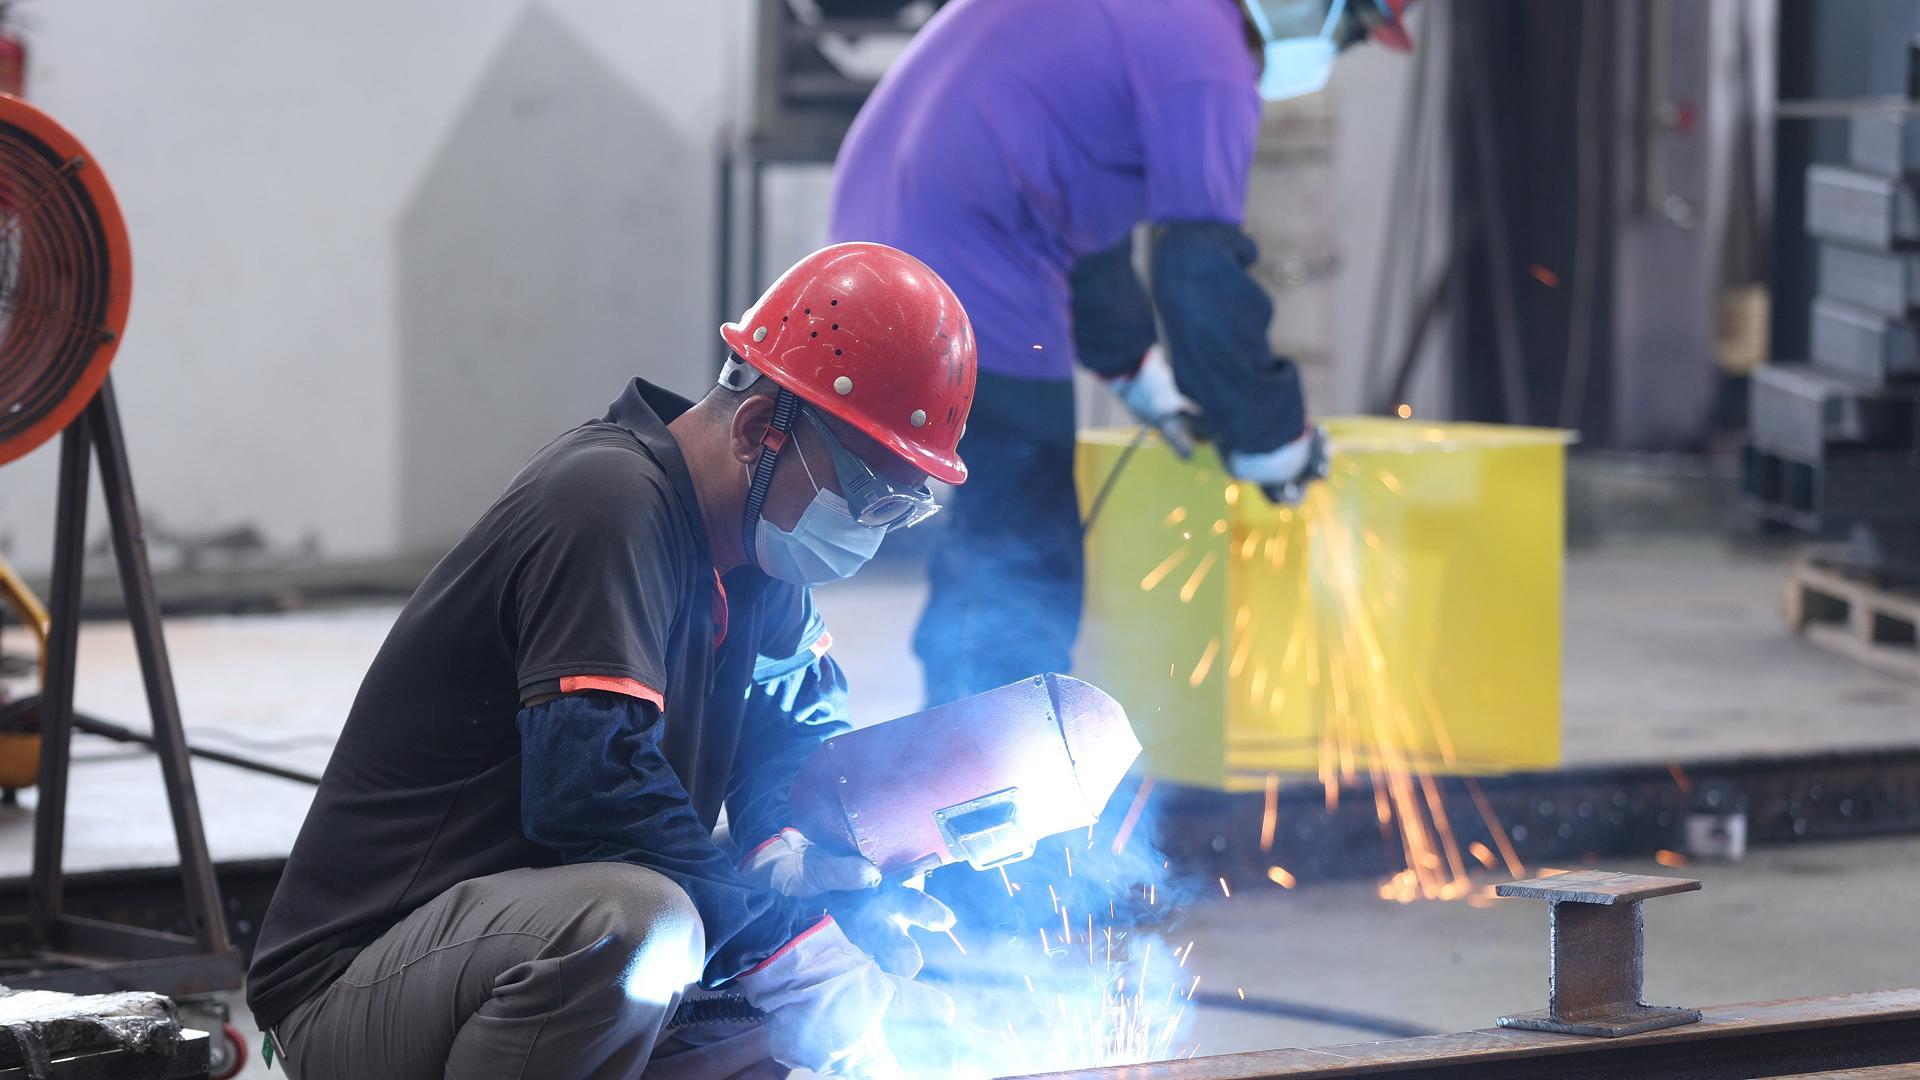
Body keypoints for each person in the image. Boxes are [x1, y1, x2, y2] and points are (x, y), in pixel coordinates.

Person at [246, 242, 977, 1079]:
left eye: (901, 508)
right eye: (867, 495)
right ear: (755, 430)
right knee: (645, 925)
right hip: (359, 983)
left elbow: (791, 740)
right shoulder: (604, 503)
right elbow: (591, 788)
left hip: (517, 950)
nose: (872, 530)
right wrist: (783, 951)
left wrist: (791, 861)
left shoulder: (761, 558)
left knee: (780, 1000)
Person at [828, 0, 1413, 706]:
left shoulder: (1159, 18)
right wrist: (1271, 433)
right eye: (1351, 31)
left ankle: (961, 734)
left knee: (997, 519)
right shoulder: (1209, 60)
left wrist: (1138, 370)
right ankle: (990, 753)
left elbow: (1077, 208)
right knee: (1023, 537)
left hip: (878, 232)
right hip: (968, 251)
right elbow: (1200, 274)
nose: (1338, 52)